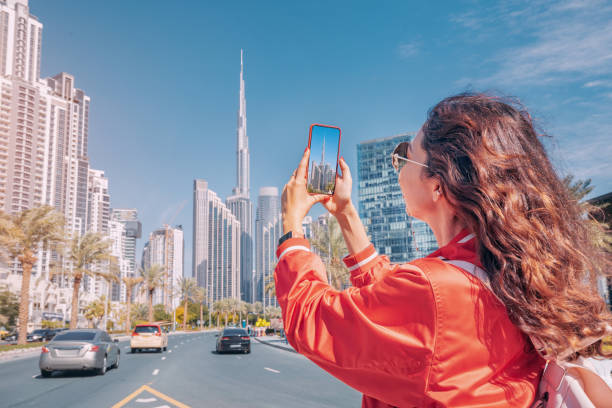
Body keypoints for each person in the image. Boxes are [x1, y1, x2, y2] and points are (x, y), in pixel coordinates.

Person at [274, 93, 612, 407]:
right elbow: (393, 299)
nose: (398, 166)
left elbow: (312, 320)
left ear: (437, 185)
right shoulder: (502, 270)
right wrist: (346, 215)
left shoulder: (437, 292)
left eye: (406, 155)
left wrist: (292, 224)